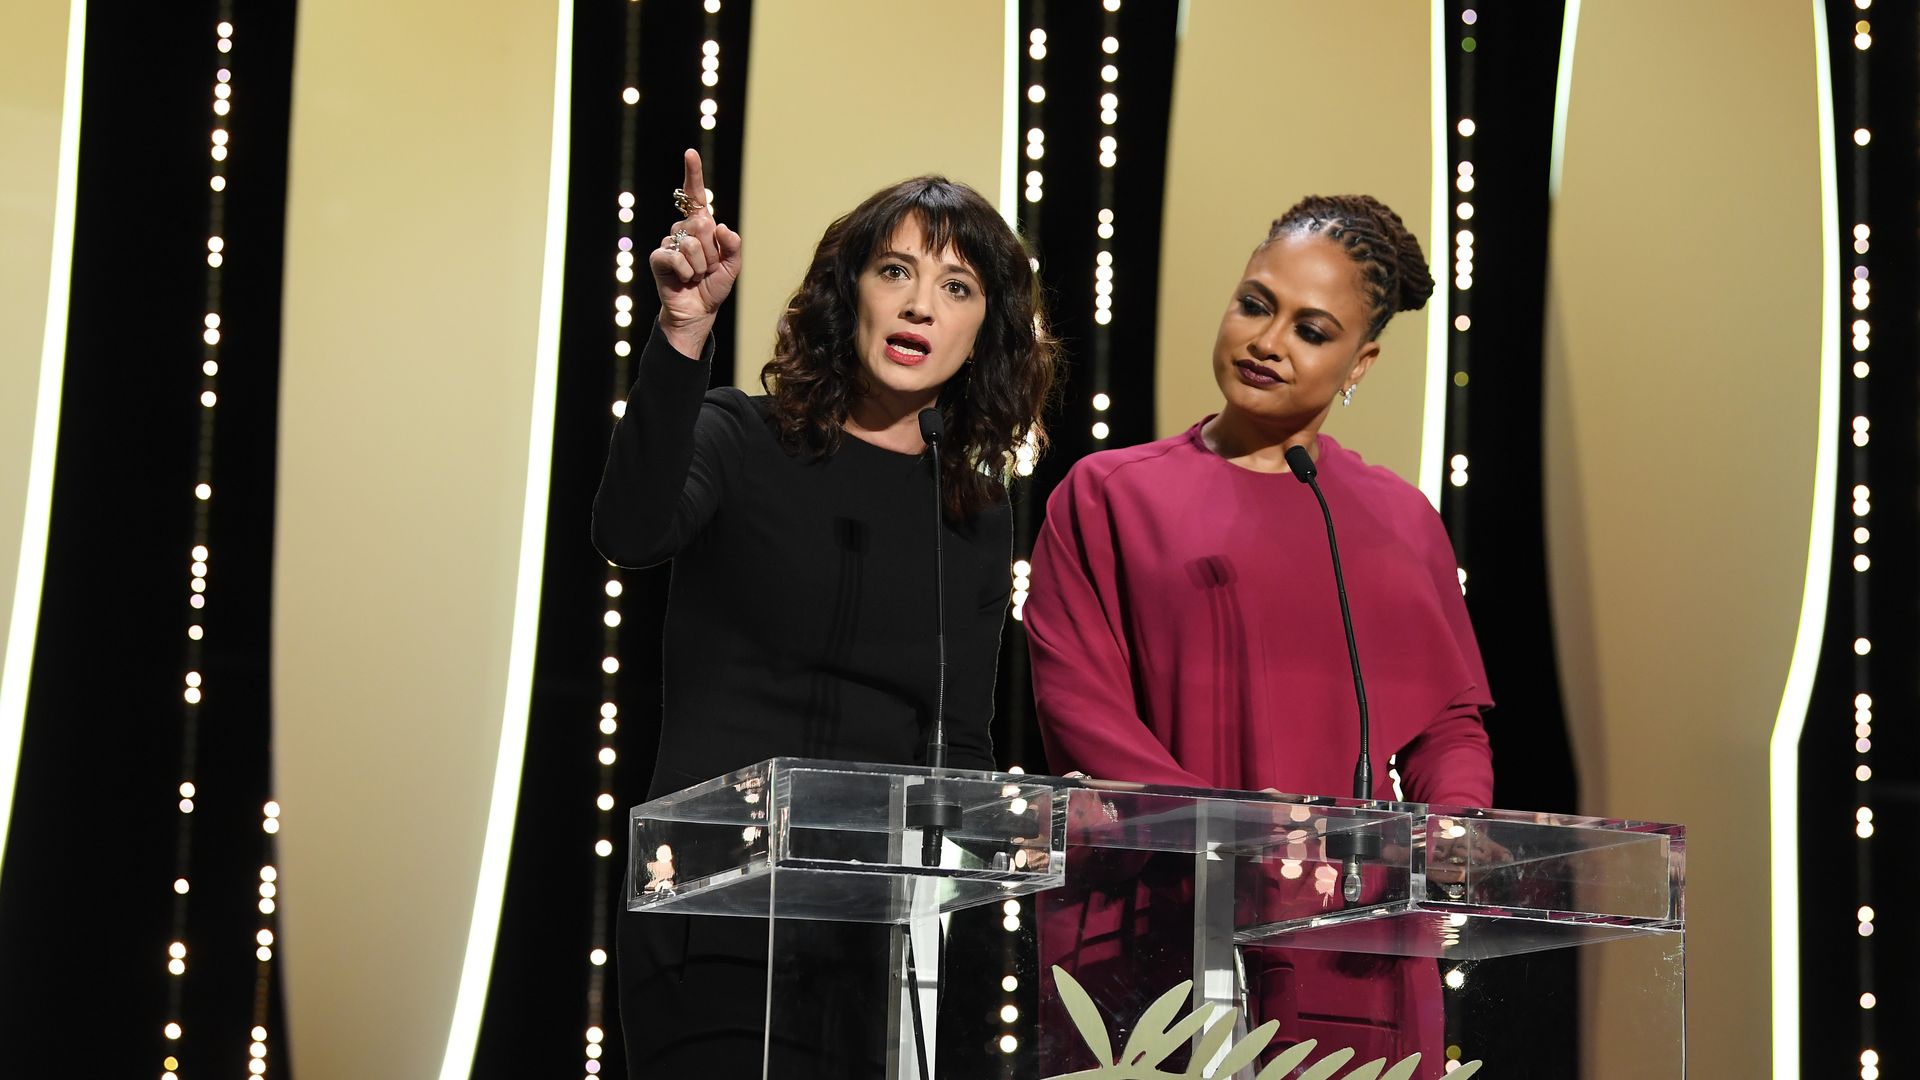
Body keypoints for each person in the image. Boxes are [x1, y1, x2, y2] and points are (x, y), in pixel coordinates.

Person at [593, 150, 1057, 1077]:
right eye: (897, 272)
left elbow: (955, 738)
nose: (921, 305)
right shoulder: (738, 434)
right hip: (712, 911)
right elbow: (630, 531)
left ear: (985, 332)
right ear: (852, 295)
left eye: (956, 286)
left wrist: (1013, 829)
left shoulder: (971, 509)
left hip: (877, 947)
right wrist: (683, 334)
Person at [1024, 195, 1492, 1072]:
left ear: (1363, 361)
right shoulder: (1106, 495)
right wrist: (1232, 841)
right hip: (1154, 932)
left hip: (1355, 942)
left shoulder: (1399, 519)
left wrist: (1454, 831)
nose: (1267, 341)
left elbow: (1445, 727)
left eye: (1312, 330)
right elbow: (1082, 714)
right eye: (1254, 304)